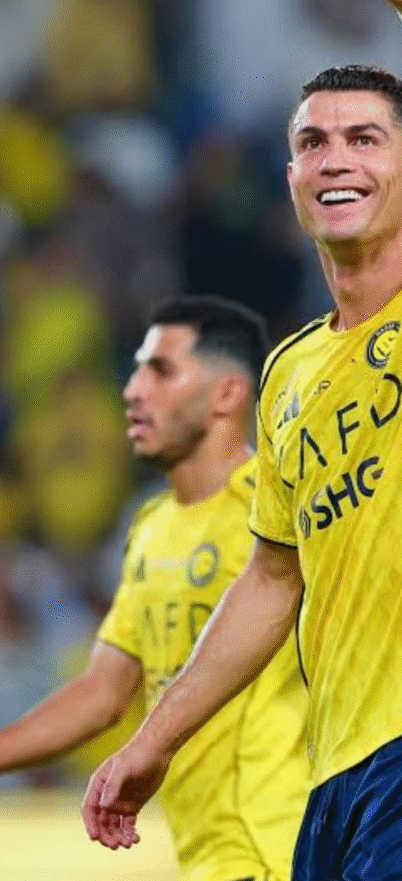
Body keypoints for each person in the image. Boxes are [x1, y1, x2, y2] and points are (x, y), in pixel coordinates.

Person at [83, 0, 402, 881]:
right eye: (311, 143)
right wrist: (152, 742)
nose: (335, 158)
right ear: (292, 180)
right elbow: (271, 578)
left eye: (364, 138)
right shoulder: (289, 370)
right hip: (333, 781)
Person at [0, 296, 310, 881]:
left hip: (281, 849)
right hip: (202, 857)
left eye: (161, 371)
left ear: (227, 394)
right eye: (138, 369)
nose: (133, 390)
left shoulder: (278, 509)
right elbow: (104, 692)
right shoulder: (151, 526)